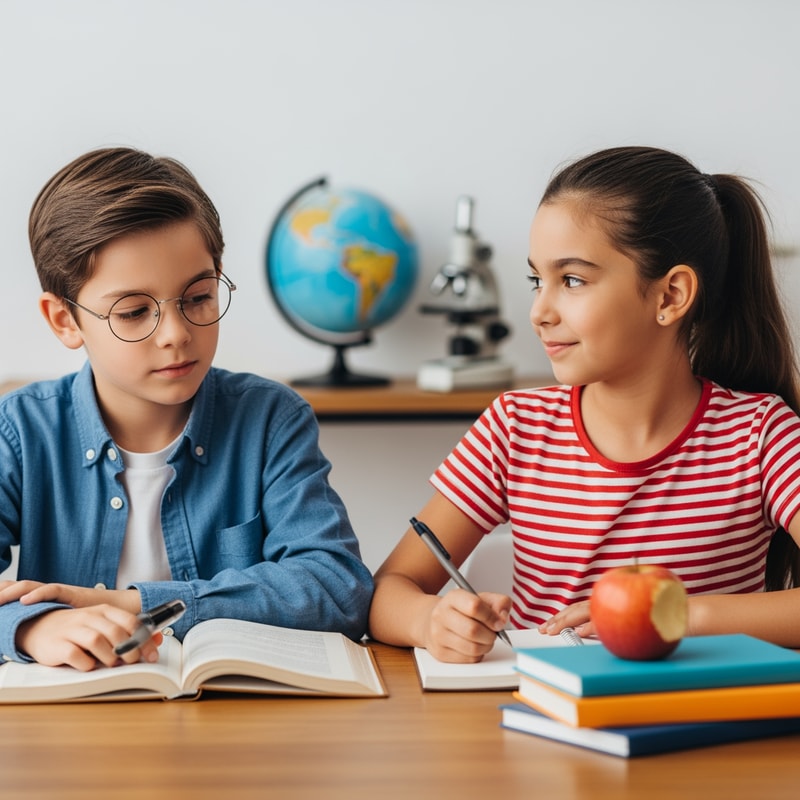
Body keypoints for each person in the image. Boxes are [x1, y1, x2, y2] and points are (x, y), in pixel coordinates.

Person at [368, 145, 800, 663]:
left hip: (700, 725)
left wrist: (680, 616)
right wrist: (429, 621)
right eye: (537, 280)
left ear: (669, 297)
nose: (538, 311)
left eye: (572, 280)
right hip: (542, 722)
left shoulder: (760, 434)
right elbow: (390, 588)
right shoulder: (515, 428)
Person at [0, 147, 373, 671]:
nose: (177, 335)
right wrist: (33, 626)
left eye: (197, 298)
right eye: (133, 312)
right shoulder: (20, 431)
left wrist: (136, 604)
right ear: (64, 320)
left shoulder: (270, 420)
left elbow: (337, 586)